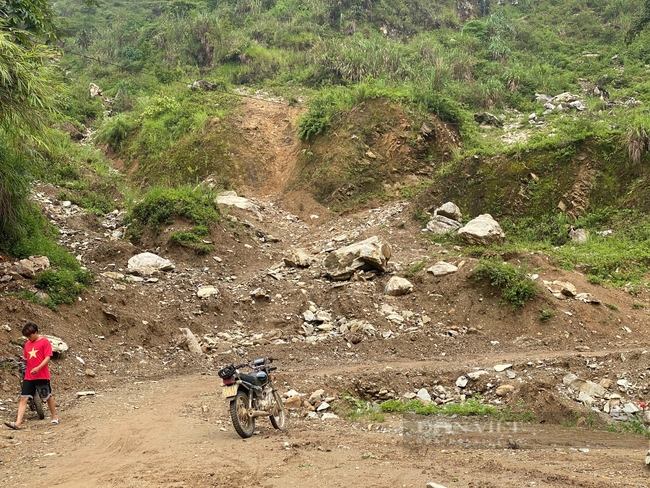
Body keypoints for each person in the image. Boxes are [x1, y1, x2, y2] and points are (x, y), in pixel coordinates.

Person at [4, 322, 59, 430]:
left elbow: (47, 358)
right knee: (23, 398)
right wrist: (24, 360)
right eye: (27, 336)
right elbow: (27, 358)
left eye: (30, 335)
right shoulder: (27, 344)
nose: (28, 338)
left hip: (42, 375)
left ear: (36, 332)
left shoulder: (44, 342)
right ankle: (18, 422)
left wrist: (38, 368)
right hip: (29, 376)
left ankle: (54, 416)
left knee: (47, 396)